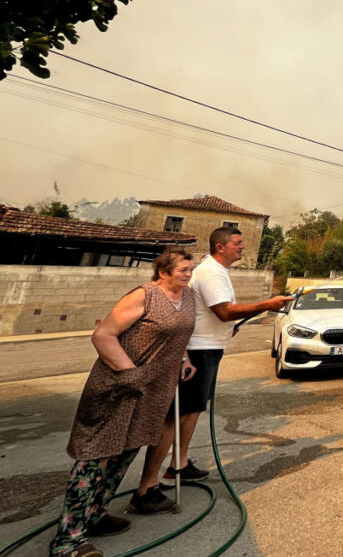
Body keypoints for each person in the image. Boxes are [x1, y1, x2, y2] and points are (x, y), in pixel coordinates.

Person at [50, 248, 196, 557]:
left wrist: (183, 358)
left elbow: (178, 334)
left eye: (189, 268)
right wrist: (131, 374)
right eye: (183, 269)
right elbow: (103, 335)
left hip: (153, 390)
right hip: (118, 386)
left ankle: (96, 516)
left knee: (124, 452)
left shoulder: (188, 297)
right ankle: (67, 541)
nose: (188, 273)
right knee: (96, 457)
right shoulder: (144, 295)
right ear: (163, 272)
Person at [136, 226, 291, 496]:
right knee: (177, 416)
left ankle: (179, 464)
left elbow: (217, 315)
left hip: (207, 348)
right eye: (238, 243)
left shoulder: (218, 272)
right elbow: (224, 311)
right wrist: (267, 304)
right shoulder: (210, 272)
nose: (243, 247)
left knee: (191, 412)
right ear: (220, 247)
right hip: (196, 352)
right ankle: (148, 486)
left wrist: (227, 328)